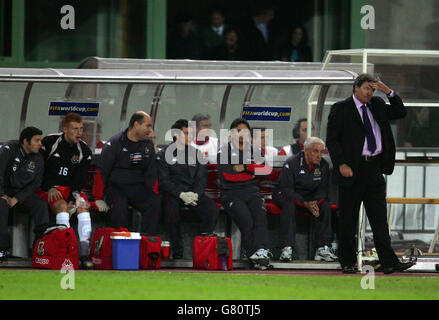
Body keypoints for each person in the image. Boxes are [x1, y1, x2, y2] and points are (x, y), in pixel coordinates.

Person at [326, 74, 415, 274]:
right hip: (351, 170)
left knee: (379, 219)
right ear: (355, 88)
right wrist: (341, 164)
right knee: (348, 219)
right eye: (367, 88)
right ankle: (348, 262)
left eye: (372, 89)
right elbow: (332, 139)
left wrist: (387, 91)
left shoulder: (376, 104)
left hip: (374, 169)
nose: (370, 92)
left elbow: (400, 112)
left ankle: (388, 261)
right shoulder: (341, 108)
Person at [157, 119, 219, 259]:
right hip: (173, 194)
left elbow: (201, 179)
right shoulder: (163, 154)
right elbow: (164, 181)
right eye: (186, 133)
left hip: (193, 194)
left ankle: (203, 247)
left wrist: (196, 194)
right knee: (171, 212)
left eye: (191, 133)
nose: (190, 136)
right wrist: (181, 194)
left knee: (212, 209)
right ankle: (178, 252)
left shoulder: (197, 154)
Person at [38, 113, 93, 268]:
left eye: (81, 129)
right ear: (64, 129)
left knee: (82, 206)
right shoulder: (50, 142)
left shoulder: (84, 150)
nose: (79, 133)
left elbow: (80, 178)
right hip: (48, 188)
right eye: (74, 129)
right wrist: (47, 187)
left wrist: (74, 197)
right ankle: (67, 249)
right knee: (62, 207)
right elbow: (39, 168)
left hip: (70, 190)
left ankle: (83, 252)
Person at [92, 111, 161, 235]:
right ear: (136, 125)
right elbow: (102, 171)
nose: (150, 130)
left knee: (154, 203)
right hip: (116, 187)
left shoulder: (148, 144)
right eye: (148, 126)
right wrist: (98, 197)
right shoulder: (115, 143)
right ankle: (122, 241)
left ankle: (147, 241)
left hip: (137, 187)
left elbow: (151, 172)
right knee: (120, 207)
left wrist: (153, 193)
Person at [217, 118, 272, 270]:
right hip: (231, 193)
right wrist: (253, 172)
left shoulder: (255, 150)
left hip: (252, 192)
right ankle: (253, 254)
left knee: (260, 218)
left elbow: (266, 170)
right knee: (246, 220)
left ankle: (261, 251)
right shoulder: (224, 152)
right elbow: (229, 176)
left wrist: (246, 167)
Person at [273, 137, 337, 262]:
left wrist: (315, 203)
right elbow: (287, 189)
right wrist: (304, 203)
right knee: (289, 205)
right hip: (286, 194)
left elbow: (323, 190)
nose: (319, 155)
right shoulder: (292, 163)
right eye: (315, 151)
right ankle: (286, 248)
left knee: (325, 206)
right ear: (306, 151)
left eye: (321, 152)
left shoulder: (323, 165)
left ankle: (322, 248)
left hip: (310, 197)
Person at [0, 127, 49, 262]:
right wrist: (2, 194)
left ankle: (40, 246)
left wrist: (17, 198)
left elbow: (35, 184)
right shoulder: (9, 149)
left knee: (40, 205)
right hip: (3, 191)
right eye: (37, 140)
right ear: (25, 141)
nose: (40, 144)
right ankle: (2, 248)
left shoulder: (39, 158)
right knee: (1, 205)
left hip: (20, 195)